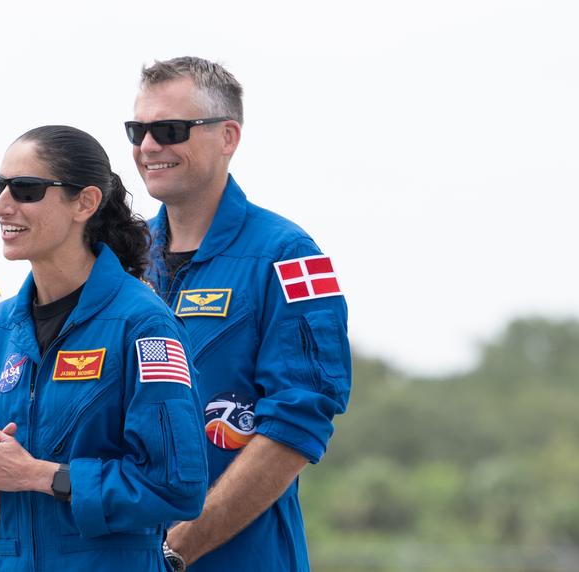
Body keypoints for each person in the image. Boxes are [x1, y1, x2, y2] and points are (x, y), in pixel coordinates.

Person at [129, 56, 352, 571]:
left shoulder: (292, 257)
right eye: (137, 130)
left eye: (169, 129)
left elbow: (297, 424)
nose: (148, 147)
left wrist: (175, 551)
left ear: (228, 136)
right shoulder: (120, 257)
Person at [0, 125, 208, 570]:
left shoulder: (143, 324)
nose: (1, 205)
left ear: (85, 203)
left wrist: (40, 476)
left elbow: (177, 487)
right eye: (0, 186)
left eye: (26, 189)